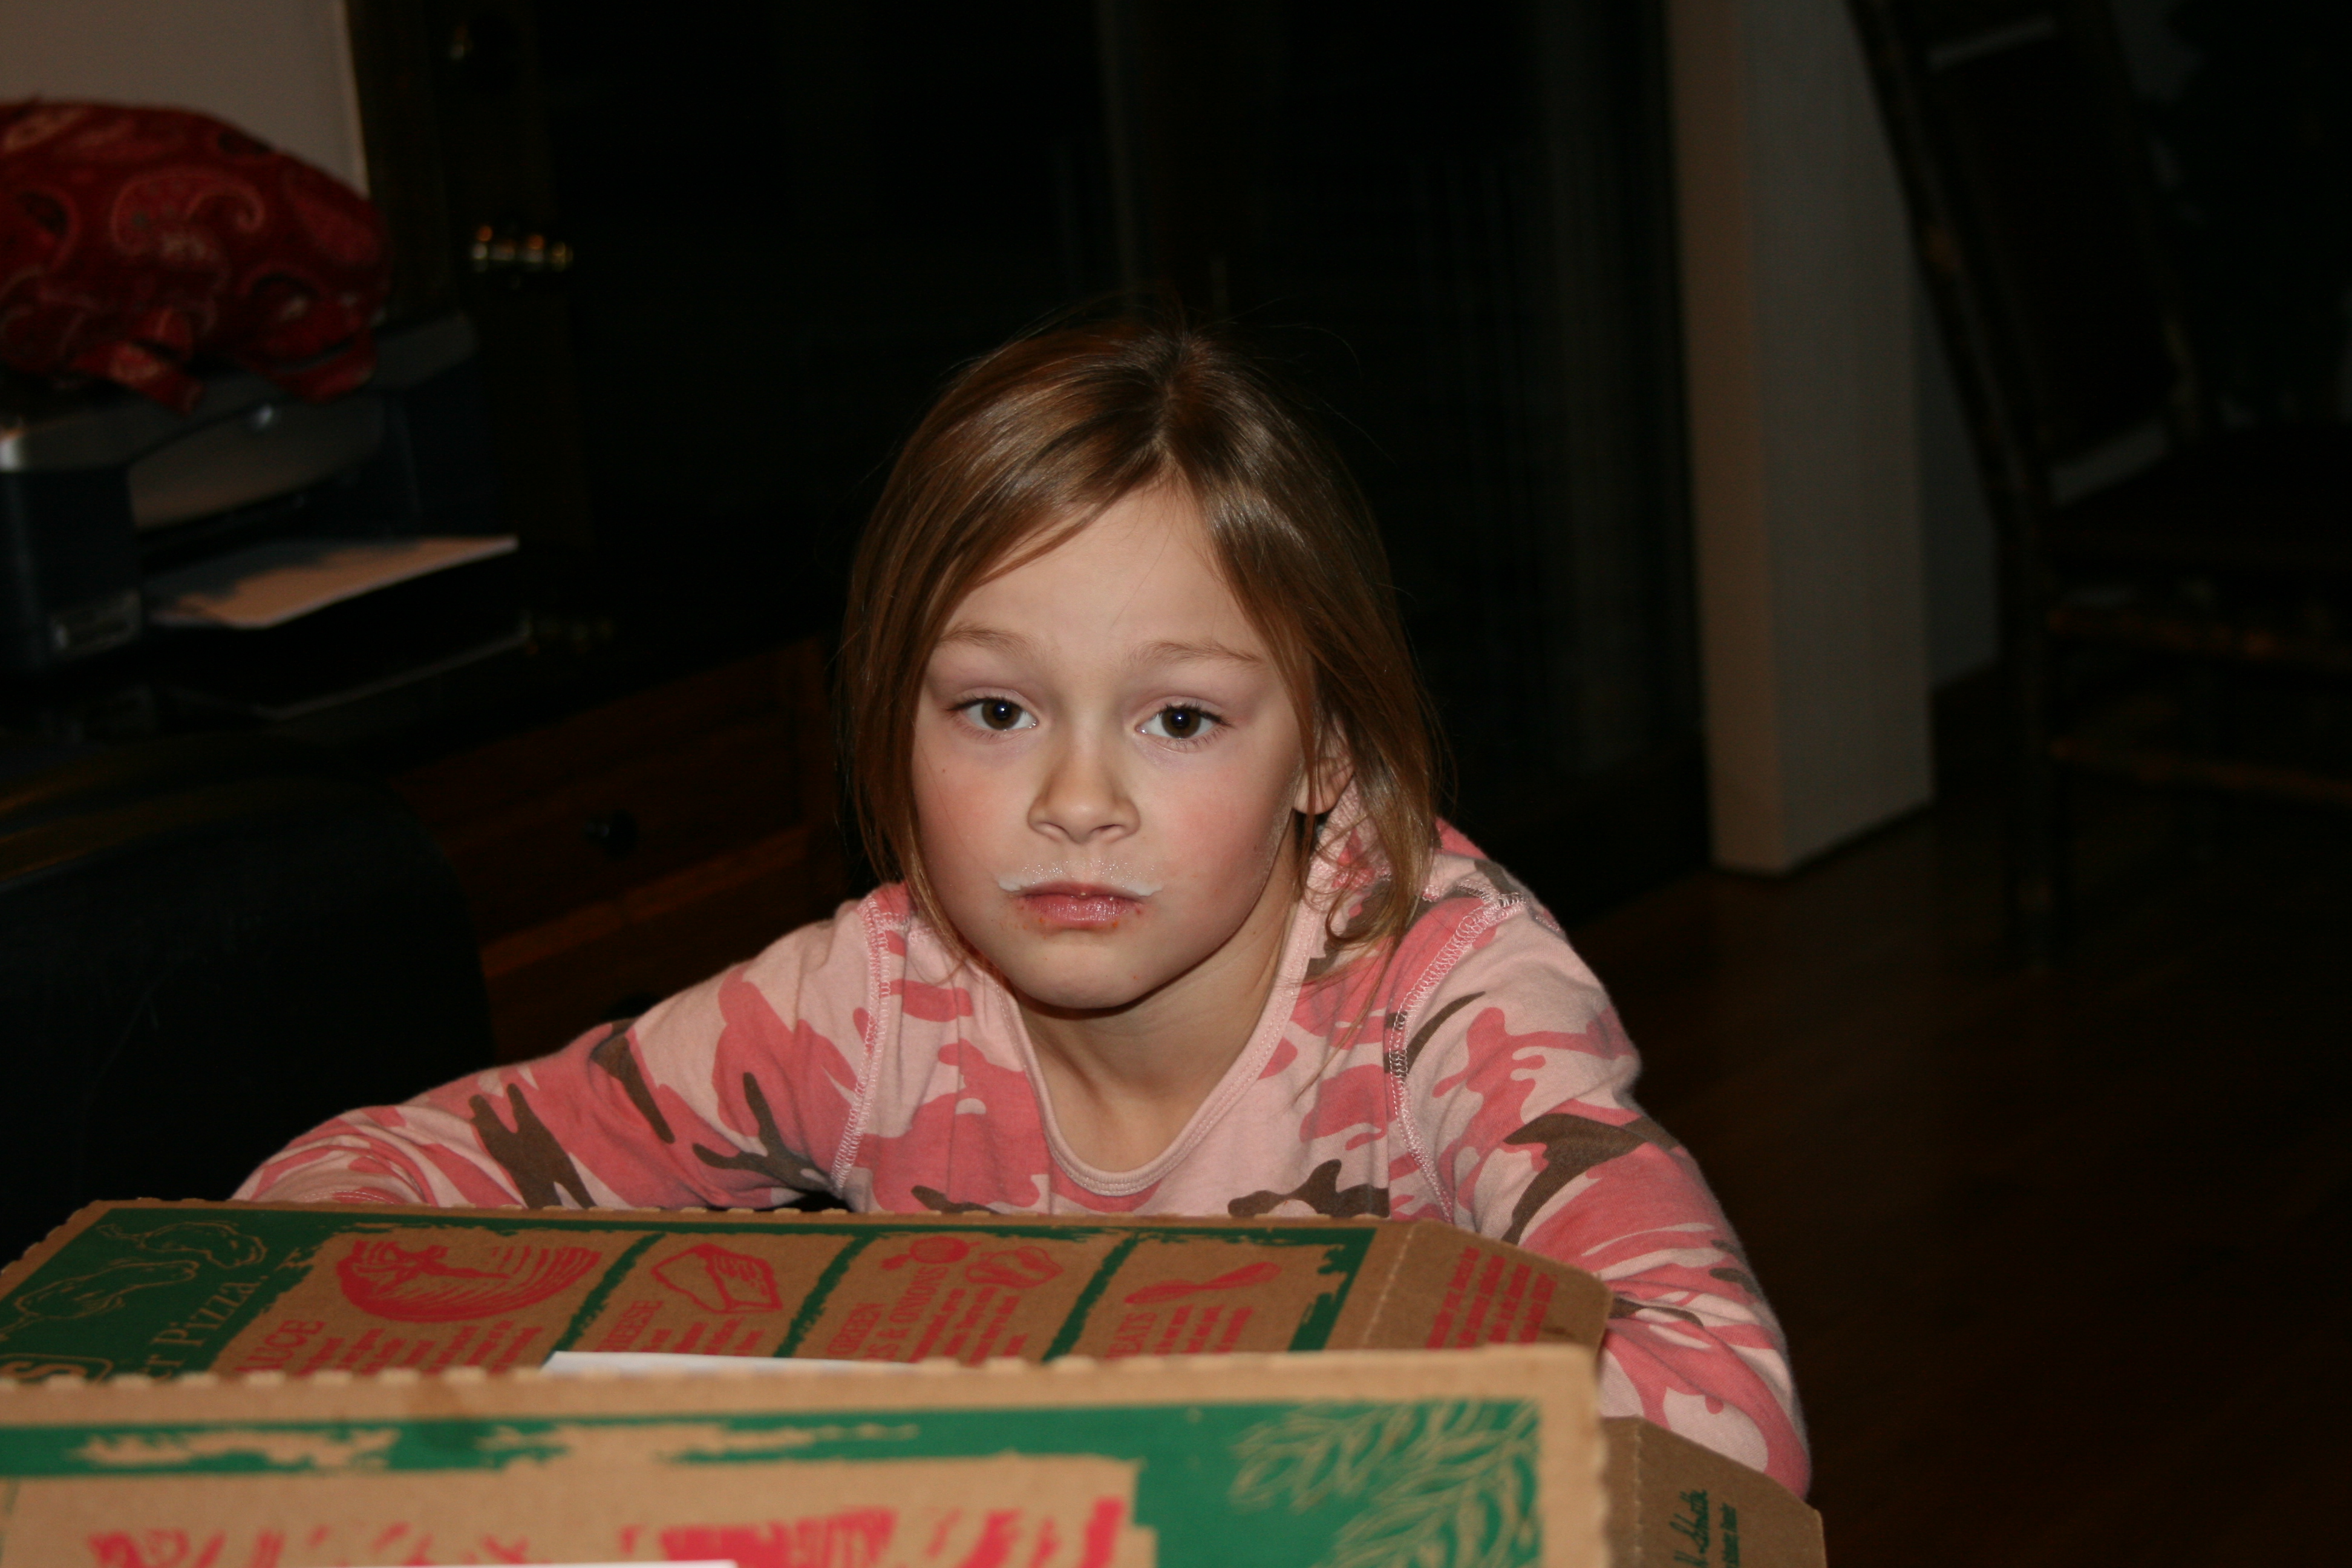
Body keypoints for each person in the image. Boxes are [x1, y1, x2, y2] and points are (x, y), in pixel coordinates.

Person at [238, 315, 1809, 1494]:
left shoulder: (1450, 1004)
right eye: (995, 711)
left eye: (1179, 718)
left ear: (1323, 751)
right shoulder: (865, 1007)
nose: (1076, 798)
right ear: (893, 726)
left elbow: (1729, 1412)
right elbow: (340, 1192)